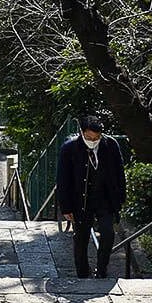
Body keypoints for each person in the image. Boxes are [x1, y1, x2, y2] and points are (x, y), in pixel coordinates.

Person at [57, 115, 126, 279]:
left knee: (108, 233)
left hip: (105, 199)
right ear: (82, 132)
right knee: (81, 237)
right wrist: (66, 207)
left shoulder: (110, 145)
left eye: (96, 138)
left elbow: (119, 172)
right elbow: (63, 179)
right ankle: (82, 272)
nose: (93, 141)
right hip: (80, 200)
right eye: (89, 137)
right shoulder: (69, 148)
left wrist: (120, 198)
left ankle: (101, 269)